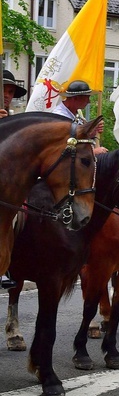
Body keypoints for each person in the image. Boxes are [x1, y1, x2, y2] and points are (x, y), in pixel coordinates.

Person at [0, 70, 28, 288]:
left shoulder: (15, 119)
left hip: (8, 187)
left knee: (20, 216)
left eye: (10, 91)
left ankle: (7, 263)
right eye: (4, 90)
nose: (7, 95)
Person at [52, 80, 108, 156]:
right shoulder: (60, 118)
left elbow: (77, 138)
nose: (89, 102)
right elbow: (63, 147)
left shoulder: (76, 114)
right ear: (75, 98)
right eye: (86, 98)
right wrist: (92, 153)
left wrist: (91, 132)